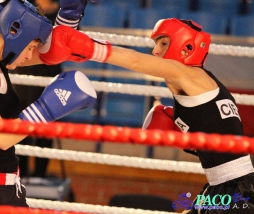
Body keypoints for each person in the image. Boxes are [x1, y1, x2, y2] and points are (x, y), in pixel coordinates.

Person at [38, 18, 254, 213]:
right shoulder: (198, 85)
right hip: (224, 186)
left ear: (186, 47)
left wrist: (88, 48)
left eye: (163, 44)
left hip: (236, 188)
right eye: (155, 45)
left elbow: (136, 61)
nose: (156, 52)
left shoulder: (189, 74)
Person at [0, 0, 98, 207]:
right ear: (14, 34)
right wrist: (47, 109)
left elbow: (57, 52)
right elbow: (1, 136)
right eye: (30, 47)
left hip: (10, 186)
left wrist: (69, 17)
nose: (28, 56)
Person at [12, 0, 63, 179]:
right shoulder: (27, 7)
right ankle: (20, 180)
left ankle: (40, 180)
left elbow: (71, 42)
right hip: (25, 75)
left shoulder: (65, 12)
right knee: (22, 129)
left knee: (44, 132)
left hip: (49, 75)